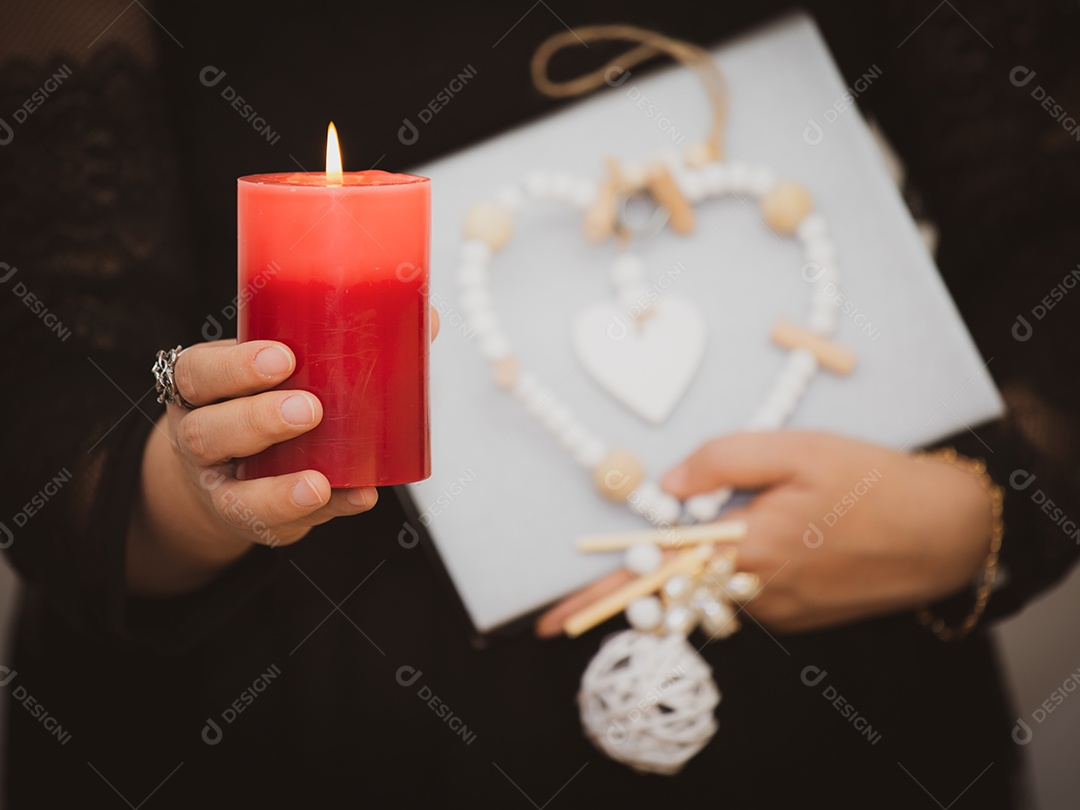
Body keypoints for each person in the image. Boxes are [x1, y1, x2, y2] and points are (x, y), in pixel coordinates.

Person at [2, 0, 1078, 807]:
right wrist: (192, 495)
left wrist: (971, 518)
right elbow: (49, 380)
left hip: (830, 682)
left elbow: (1049, 230)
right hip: (294, 708)